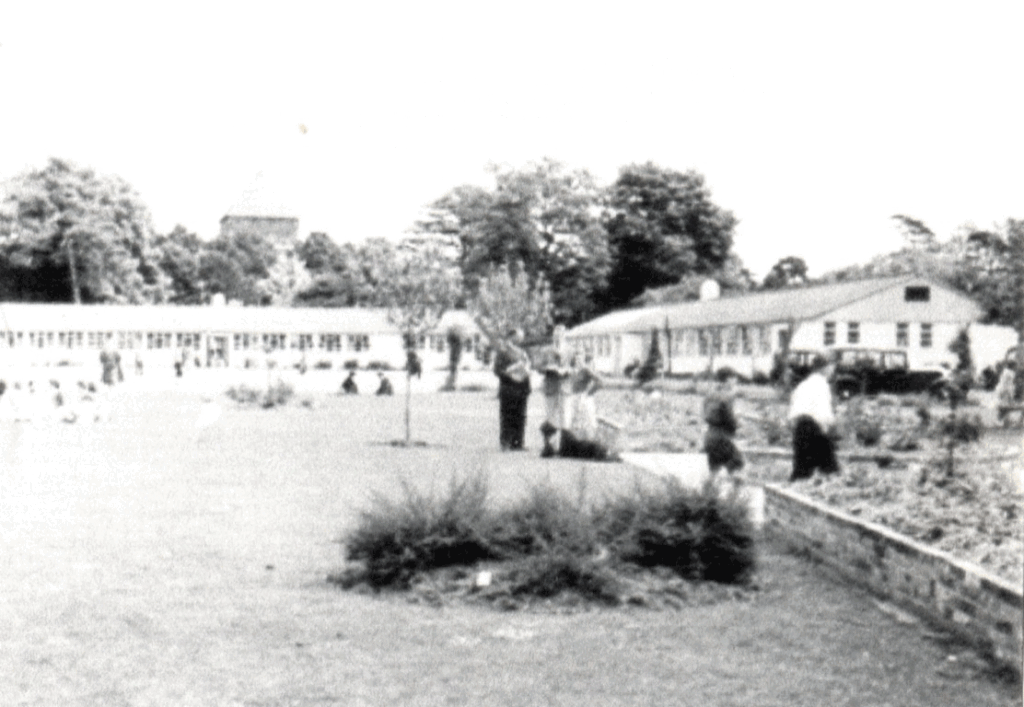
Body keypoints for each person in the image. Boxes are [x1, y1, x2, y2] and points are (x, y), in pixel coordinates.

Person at [788, 354, 840, 481]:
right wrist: (828, 431)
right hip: (814, 428)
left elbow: (793, 410)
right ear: (825, 368)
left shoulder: (803, 385)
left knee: (801, 470)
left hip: (799, 428)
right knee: (830, 469)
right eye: (832, 367)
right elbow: (823, 413)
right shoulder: (822, 385)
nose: (832, 371)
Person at [493, 327, 531, 451]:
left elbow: (527, 366)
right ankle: (505, 442)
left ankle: (518, 442)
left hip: (521, 388)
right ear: (511, 336)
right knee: (507, 416)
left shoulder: (522, 352)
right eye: (519, 336)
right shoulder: (503, 351)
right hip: (509, 388)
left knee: (520, 416)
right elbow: (497, 370)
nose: (521, 338)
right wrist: (509, 374)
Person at [539, 325, 573, 457]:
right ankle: (549, 447)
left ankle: (565, 447)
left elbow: (576, 366)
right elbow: (539, 366)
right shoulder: (545, 350)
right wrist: (548, 368)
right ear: (553, 336)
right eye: (555, 335)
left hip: (565, 386)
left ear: (564, 336)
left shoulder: (571, 350)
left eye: (560, 335)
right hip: (551, 385)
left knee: (565, 416)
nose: (557, 337)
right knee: (550, 416)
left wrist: (568, 370)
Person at [702, 375, 744, 474]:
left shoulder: (709, 395)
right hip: (722, 437)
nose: (736, 385)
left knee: (714, 469)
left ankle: (712, 483)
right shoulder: (728, 397)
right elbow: (729, 419)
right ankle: (733, 482)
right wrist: (738, 424)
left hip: (709, 437)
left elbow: (706, 414)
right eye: (734, 382)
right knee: (737, 463)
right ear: (727, 381)